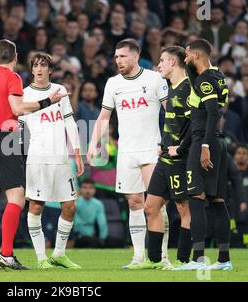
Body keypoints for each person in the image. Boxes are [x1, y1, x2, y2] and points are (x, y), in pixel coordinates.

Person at [0, 39, 68, 270]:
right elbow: (18, 108)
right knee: (17, 198)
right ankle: (7, 254)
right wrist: (48, 101)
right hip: (5, 139)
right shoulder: (13, 78)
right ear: (15, 57)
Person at [87, 38, 169, 269]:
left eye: (123, 56)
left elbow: (170, 111)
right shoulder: (113, 83)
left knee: (156, 205)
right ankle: (139, 257)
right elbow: (104, 117)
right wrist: (94, 144)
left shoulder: (154, 79)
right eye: (116, 57)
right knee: (134, 203)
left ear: (135, 56)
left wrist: (171, 142)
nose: (118, 60)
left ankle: (162, 257)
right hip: (127, 152)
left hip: (152, 150)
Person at [21, 52, 84, 269]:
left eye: (43, 65)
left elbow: (69, 122)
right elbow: (15, 123)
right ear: (31, 70)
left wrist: (77, 151)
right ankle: (41, 258)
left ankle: (58, 254)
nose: (39, 69)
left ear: (50, 70)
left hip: (61, 159)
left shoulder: (60, 91)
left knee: (69, 206)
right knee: (36, 207)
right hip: (38, 158)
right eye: (36, 65)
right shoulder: (23, 94)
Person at [174, 39, 232, 271]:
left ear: (197, 55)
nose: (185, 56)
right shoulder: (218, 75)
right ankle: (224, 260)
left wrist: (204, 147)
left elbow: (211, 114)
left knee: (196, 199)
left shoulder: (204, 79)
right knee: (217, 200)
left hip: (204, 143)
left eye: (187, 53)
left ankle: (197, 260)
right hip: (217, 142)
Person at [142, 46, 193, 270]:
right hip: (165, 159)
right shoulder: (171, 88)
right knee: (150, 206)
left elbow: (196, 125)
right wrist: (163, 145)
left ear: (173, 62)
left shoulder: (189, 88)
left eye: (162, 61)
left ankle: (184, 260)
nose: (158, 65)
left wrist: (180, 148)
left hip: (180, 160)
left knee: (184, 208)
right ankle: (154, 260)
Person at [74, 178, 108, 248]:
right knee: (91, 242)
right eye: (85, 188)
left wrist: (103, 238)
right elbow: (77, 223)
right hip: (77, 235)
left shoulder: (98, 204)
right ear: (80, 189)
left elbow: (102, 223)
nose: (88, 190)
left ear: (94, 190)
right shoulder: (75, 202)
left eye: (90, 188)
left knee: (115, 242)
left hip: (92, 235)